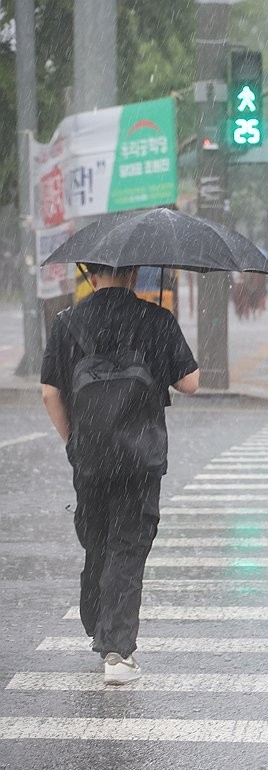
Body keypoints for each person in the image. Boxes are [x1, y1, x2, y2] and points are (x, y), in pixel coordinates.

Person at [40, 264, 199, 685]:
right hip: (139, 458)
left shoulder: (67, 323)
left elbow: (49, 392)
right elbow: (191, 382)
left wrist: (73, 441)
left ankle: (96, 613)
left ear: (91, 277)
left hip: (90, 457)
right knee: (127, 546)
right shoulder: (156, 319)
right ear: (134, 275)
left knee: (97, 540)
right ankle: (117, 651)